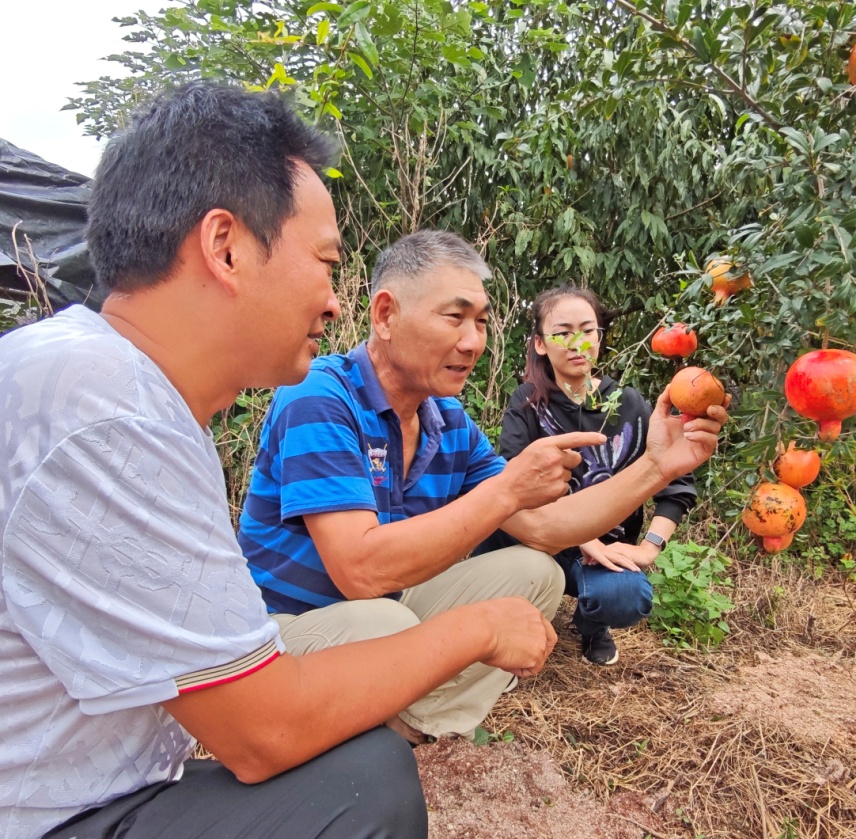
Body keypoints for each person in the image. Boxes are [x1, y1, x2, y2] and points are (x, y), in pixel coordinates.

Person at [0, 84, 553, 839]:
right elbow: (264, 729)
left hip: (91, 778)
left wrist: (654, 464)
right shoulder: (110, 414)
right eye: (326, 263)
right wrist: (478, 628)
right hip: (46, 811)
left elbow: (544, 527)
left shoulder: (119, 388)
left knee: (364, 763)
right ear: (225, 246)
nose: (334, 302)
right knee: (366, 787)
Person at [237, 230, 727, 744]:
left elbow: (543, 528)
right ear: (385, 315)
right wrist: (507, 490)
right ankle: (357, 725)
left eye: (482, 322)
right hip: (287, 632)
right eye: (454, 317)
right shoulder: (319, 395)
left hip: (385, 614)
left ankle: (407, 728)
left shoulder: (446, 419)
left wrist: (656, 468)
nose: (472, 342)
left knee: (534, 572)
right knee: (385, 623)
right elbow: (360, 570)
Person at [489, 286, 695, 665]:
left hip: (604, 556)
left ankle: (591, 622)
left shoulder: (630, 405)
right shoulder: (527, 403)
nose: (577, 342)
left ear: (600, 339)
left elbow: (676, 483)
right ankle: (518, 616)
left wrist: (649, 547)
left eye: (588, 330)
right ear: (539, 344)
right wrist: (582, 536)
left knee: (625, 596)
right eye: (563, 332)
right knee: (490, 529)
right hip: (543, 543)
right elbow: (510, 480)